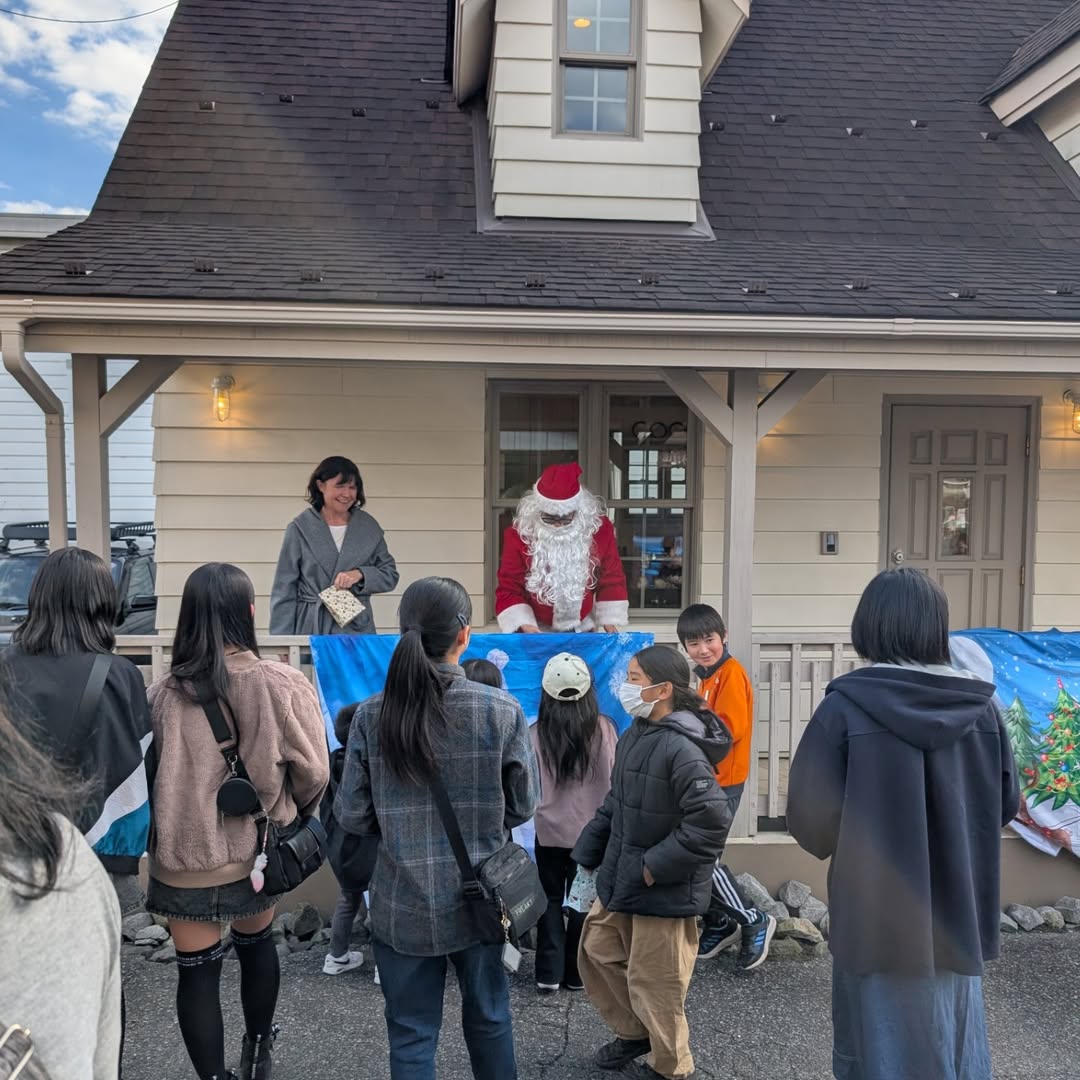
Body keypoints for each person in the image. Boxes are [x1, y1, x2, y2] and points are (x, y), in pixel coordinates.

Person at [787, 569, 1020, 1080]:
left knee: (876, 1051)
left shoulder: (844, 709)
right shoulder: (983, 709)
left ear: (869, 627)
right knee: (954, 1047)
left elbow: (810, 823)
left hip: (875, 920)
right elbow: (1002, 806)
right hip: (956, 914)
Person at [335, 576, 540, 1080]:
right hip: (483, 900)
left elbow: (354, 815)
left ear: (403, 632)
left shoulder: (371, 717)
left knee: (411, 1034)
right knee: (491, 1020)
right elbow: (522, 806)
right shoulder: (501, 710)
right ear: (463, 635)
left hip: (401, 900)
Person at [147, 563, 329, 1080]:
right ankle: (256, 1054)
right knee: (256, 947)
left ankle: (213, 1077)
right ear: (249, 613)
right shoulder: (281, 683)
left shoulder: (162, 696)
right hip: (256, 853)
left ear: (188, 619)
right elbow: (315, 770)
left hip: (182, 859)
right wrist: (287, 809)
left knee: (196, 976)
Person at [1, 545, 153, 1077]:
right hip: (94, 859)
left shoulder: (3, 667)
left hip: (12, 854)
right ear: (101, 605)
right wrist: (125, 859)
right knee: (96, 987)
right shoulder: (119, 676)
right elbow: (137, 778)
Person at [573, 645, 733, 1080]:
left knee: (657, 983)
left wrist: (652, 866)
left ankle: (672, 1068)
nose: (627, 685)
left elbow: (712, 820)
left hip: (661, 886)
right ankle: (635, 1032)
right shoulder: (637, 732)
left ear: (663, 689)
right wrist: (590, 848)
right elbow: (619, 801)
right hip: (624, 873)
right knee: (597, 950)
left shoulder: (680, 748)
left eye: (635, 677)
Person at [0, 684, 122, 1080]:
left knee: (196, 971)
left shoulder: (14, 666)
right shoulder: (54, 863)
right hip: (88, 839)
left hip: (178, 860)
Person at [677, 603, 775, 971]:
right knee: (696, 858)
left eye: (709, 639)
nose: (703, 649)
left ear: (724, 637)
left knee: (706, 859)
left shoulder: (731, 674)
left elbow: (727, 731)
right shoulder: (704, 676)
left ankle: (753, 919)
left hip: (724, 781)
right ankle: (720, 923)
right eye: (694, 642)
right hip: (707, 779)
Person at [531, 652, 617, 995]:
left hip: (548, 831)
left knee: (549, 899)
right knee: (583, 903)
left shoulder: (534, 733)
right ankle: (578, 973)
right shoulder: (605, 728)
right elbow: (614, 781)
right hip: (593, 835)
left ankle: (547, 973)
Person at [269, 455, 399, 636]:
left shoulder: (368, 527)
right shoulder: (300, 528)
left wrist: (360, 574)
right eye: (340, 486)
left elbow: (390, 575)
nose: (347, 494)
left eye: (352, 487)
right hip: (311, 627)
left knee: (355, 665)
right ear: (321, 486)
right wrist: (282, 640)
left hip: (355, 628)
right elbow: (284, 588)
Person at [495, 462, 628, 633]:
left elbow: (611, 578)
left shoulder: (599, 531)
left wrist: (610, 623)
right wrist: (528, 627)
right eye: (549, 519)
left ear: (579, 511)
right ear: (537, 511)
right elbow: (509, 587)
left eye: (565, 519)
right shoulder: (519, 534)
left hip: (583, 630)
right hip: (535, 630)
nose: (557, 525)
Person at [321, 702, 372, 978]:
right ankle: (383, 966)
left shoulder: (331, 762)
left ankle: (336, 955)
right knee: (379, 899)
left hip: (340, 846)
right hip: (369, 845)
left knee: (348, 896)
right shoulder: (367, 764)